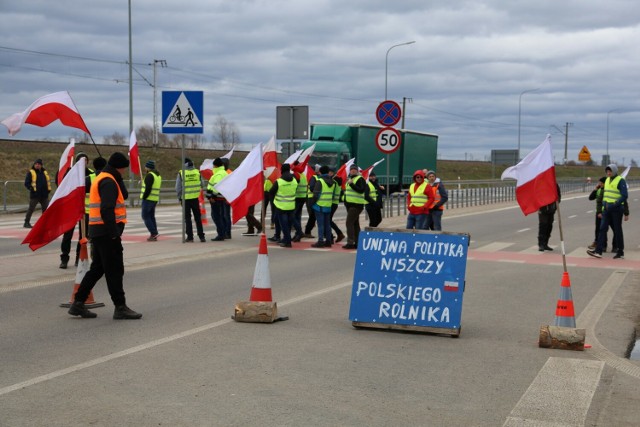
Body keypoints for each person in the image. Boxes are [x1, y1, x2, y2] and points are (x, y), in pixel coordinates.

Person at [68, 152, 142, 319]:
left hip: (98, 231)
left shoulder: (103, 177)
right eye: (124, 169)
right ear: (119, 167)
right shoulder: (108, 181)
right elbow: (107, 209)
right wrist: (114, 234)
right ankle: (120, 307)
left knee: (97, 269)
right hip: (107, 234)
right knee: (115, 270)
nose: (124, 172)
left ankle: (78, 303)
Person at [59, 152, 93, 268]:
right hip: (71, 209)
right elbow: (62, 188)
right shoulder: (70, 173)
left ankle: (79, 257)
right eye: (81, 160)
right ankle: (64, 258)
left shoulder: (91, 174)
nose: (84, 162)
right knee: (67, 235)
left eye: (85, 160)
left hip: (85, 210)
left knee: (83, 236)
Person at [588, 164, 628, 259]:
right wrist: (603, 207)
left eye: (610, 171)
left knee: (617, 230)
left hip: (616, 209)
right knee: (602, 229)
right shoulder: (606, 180)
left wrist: (615, 204)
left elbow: (624, 195)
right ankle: (598, 251)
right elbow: (604, 194)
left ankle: (620, 251)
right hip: (606, 210)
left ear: (614, 171)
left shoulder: (620, 180)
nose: (608, 173)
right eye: (607, 171)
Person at [176, 157, 206, 242]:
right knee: (198, 218)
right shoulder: (197, 172)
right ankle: (201, 236)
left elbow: (178, 188)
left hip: (185, 199)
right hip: (195, 198)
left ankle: (190, 237)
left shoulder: (181, 173)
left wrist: (179, 197)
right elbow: (202, 184)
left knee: (187, 218)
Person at [342, 164, 372, 249]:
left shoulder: (360, 179)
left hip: (356, 205)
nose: (353, 171)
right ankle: (357, 242)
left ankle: (350, 242)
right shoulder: (350, 179)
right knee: (355, 224)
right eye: (352, 170)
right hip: (350, 205)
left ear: (357, 171)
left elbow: (361, 190)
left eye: (354, 169)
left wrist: (351, 185)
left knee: (349, 223)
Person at [269, 163, 297, 248]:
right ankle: (285, 239)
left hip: (281, 206)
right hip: (291, 205)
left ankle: (287, 242)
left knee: (283, 224)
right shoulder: (294, 180)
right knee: (288, 224)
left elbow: (271, 192)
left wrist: (273, 202)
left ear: (282, 170)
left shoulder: (279, 181)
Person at [311, 165, 336, 248]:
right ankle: (328, 241)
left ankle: (320, 241)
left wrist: (312, 203)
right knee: (327, 224)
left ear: (320, 172)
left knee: (320, 225)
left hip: (319, 205)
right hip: (328, 205)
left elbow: (315, 194)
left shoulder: (320, 181)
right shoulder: (332, 182)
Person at [23, 158, 51, 228]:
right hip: (35, 194)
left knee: (46, 209)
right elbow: (26, 183)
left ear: (41, 165)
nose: (37, 165)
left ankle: (44, 223)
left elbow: (47, 182)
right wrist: (31, 188)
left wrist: (48, 190)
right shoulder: (31, 172)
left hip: (44, 195)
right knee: (31, 209)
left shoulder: (44, 172)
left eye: (39, 164)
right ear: (34, 165)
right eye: (36, 164)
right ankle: (26, 222)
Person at [206, 158, 229, 241]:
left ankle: (221, 234)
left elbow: (217, 187)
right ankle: (223, 233)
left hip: (216, 199)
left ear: (215, 165)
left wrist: (212, 196)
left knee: (216, 217)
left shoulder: (218, 174)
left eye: (213, 165)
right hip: (220, 198)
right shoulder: (223, 173)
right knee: (220, 216)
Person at [140, 160, 161, 241]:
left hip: (148, 199)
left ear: (148, 167)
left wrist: (144, 197)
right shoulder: (158, 175)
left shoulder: (149, 175)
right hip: (154, 199)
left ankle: (153, 233)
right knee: (151, 216)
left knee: (145, 216)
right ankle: (154, 233)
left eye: (145, 167)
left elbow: (148, 188)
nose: (145, 168)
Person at [537, 184, 561, 251]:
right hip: (543, 209)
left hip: (551, 209)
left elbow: (559, 196)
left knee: (549, 226)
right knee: (543, 226)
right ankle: (541, 244)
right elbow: (537, 196)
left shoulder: (555, 185)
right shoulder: (541, 185)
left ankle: (545, 243)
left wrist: (556, 205)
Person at [291, 161, 307, 242]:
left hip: (297, 197)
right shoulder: (302, 174)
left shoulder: (296, 174)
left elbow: (293, 186)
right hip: (303, 197)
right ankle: (298, 234)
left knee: (292, 216)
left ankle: (299, 232)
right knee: (298, 216)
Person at [330, 173, 346, 243]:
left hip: (331, 203)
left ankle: (338, 234)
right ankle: (337, 234)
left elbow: (331, 193)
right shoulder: (338, 184)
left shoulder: (334, 183)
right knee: (328, 220)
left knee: (328, 220)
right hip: (335, 203)